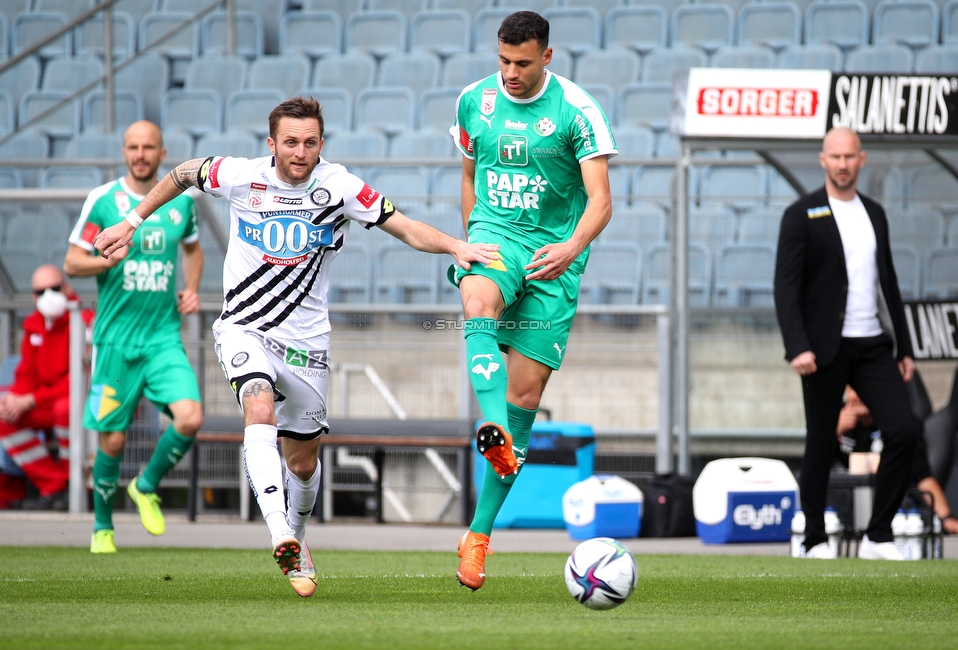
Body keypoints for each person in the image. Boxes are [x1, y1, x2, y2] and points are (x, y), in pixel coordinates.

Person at [91, 96, 499, 597]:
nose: (300, 151)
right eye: (290, 141)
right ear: (272, 144)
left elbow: (406, 228)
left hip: (307, 344)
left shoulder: (341, 187)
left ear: (320, 144)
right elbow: (183, 172)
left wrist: (458, 246)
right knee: (257, 403)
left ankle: (298, 536)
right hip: (244, 328)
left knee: (302, 463)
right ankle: (279, 533)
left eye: (309, 142)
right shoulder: (241, 176)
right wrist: (131, 223)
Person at [447, 10, 616, 589]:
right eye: (503, 61)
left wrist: (570, 247)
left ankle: (478, 535)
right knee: (477, 298)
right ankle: (492, 427)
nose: (510, 72)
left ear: (547, 55)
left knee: (526, 396)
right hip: (495, 237)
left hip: (554, 259)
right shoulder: (474, 101)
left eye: (522, 62)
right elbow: (470, 174)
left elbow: (601, 201)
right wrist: (472, 233)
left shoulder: (577, 111)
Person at [774, 126, 921, 561]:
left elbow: (889, 282)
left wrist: (905, 347)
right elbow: (785, 287)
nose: (842, 164)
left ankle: (878, 535)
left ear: (862, 159)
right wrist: (796, 345)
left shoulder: (874, 212)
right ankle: (815, 539)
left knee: (904, 430)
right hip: (822, 348)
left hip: (873, 342)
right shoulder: (802, 213)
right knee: (821, 441)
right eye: (834, 156)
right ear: (823, 160)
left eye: (849, 156)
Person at [64, 120, 204, 555]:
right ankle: (102, 527)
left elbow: (193, 249)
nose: (140, 154)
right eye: (132, 147)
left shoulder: (180, 203)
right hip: (115, 341)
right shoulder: (104, 201)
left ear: (163, 154)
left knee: (190, 417)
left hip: (162, 338)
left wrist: (193, 286)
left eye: (148, 147)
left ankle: (146, 486)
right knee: (113, 439)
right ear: (124, 153)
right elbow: (71, 263)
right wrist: (107, 261)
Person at [0, 265, 93, 510]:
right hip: (46, 403)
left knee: (66, 408)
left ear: (67, 288)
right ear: (33, 297)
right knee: (4, 417)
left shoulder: (84, 321)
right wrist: (14, 400)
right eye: (40, 292)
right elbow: (27, 375)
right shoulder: (33, 325)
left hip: (81, 403)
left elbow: (79, 381)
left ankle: (76, 487)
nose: (48, 296)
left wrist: (30, 400)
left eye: (54, 288)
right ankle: (55, 486)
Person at [837, 386, 958, 536]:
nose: (858, 396)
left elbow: (922, 478)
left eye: (863, 387)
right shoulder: (835, 417)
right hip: (844, 518)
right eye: (853, 389)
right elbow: (815, 468)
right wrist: (835, 430)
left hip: (895, 518)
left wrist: (947, 519)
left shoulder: (899, 424)